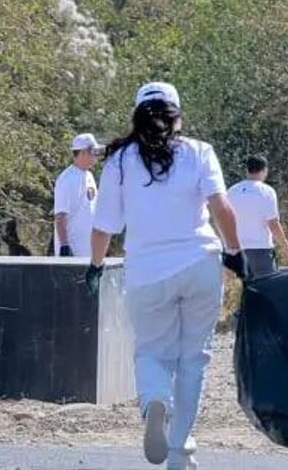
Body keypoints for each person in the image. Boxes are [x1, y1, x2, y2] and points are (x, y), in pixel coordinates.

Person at [88, 81, 244, 470]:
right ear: (178, 117)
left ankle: (155, 399)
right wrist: (236, 253)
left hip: (146, 272)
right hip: (199, 265)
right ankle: (180, 451)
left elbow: (103, 226)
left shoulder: (119, 162)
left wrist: (94, 266)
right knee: (194, 359)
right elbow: (222, 208)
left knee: (151, 351)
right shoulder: (199, 152)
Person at [226, 155, 288, 278]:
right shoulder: (267, 192)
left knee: (243, 290)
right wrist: (285, 246)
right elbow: (273, 223)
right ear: (264, 170)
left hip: (237, 249)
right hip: (261, 249)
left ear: (247, 170)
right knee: (267, 289)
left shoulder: (231, 191)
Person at [54, 133, 101, 258]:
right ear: (83, 153)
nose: (96, 156)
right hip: (73, 252)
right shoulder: (66, 180)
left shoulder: (89, 176)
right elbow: (60, 216)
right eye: (94, 152)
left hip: (89, 251)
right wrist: (64, 246)